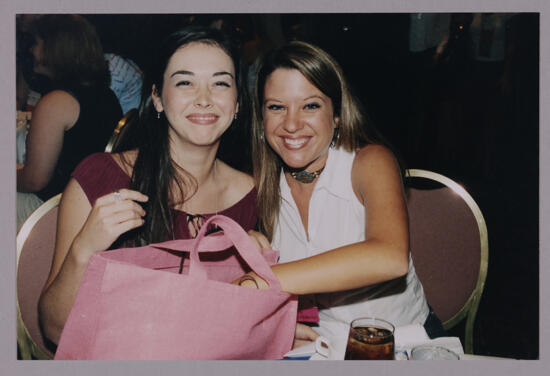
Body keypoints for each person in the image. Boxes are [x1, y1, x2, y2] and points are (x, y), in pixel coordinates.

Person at [38, 26, 255, 345]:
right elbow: (55, 329)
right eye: (185, 82)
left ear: (237, 103)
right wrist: (84, 249)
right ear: (157, 98)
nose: (204, 99)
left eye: (220, 83)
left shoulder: (254, 196)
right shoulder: (102, 178)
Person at [241, 41, 444, 341]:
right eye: (276, 107)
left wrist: (262, 282)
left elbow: (390, 257)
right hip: (316, 348)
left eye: (310, 105)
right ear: (261, 119)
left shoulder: (370, 161)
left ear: (336, 116)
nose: (292, 124)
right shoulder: (262, 185)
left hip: (398, 343)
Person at [16, 15, 122, 229]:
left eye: (36, 42)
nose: (31, 50)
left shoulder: (57, 102)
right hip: (90, 204)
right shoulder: (105, 94)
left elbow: (35, 181)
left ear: (55, 47)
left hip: (57, 210)